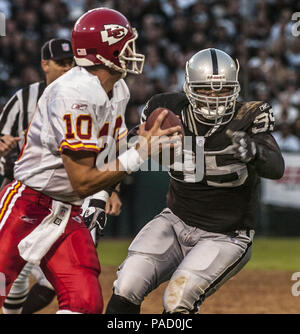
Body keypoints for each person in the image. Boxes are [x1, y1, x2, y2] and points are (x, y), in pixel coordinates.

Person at [0, 7, 181, 314]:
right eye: (125, 45)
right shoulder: (76, 94)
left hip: (65, 210)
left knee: (85, 304)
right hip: (27, 204)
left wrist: (140, 140)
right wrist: (142, 152)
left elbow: (111, 147)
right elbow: (82, 180)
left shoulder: (117, 89)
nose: (132, 52)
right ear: (105, 50)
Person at [105, 48, 285, 314]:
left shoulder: (249, 115)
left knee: (178, 300)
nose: (214, 98)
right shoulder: (167, 111)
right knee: (127, 284)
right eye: (206, 90)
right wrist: (110, 188)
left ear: (235, 89)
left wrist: (254, 151)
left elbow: (276, 166)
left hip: (226, 235)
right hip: (175, 221)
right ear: (189, 88)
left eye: (222, 90)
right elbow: (126, 145)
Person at [0, 37, 122, 314]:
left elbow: (106, 151)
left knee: (83, 300)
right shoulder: (26, 98)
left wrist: (107, 190)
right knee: (9, 282)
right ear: (45, 64)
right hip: (26, 198)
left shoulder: (105, 92)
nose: (68, 68)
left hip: (68, 206)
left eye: (72, 62)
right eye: (61, 63)